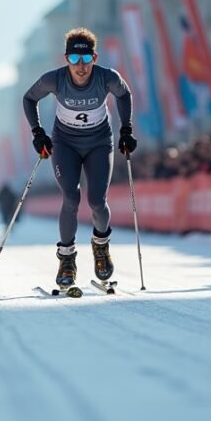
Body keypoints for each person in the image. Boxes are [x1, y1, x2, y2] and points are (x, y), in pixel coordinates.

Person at [22, 27, 134, 292]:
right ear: (66, 59)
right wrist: (37, 132)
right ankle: (67, 260)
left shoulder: (107, 77)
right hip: (65, 144)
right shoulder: (55, 79)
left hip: (98, 143)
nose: (80, 66)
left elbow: (124, 94)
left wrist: (126, 129)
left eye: (85, 60)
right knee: (71, 198)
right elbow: (29, 99)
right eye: (74, 60)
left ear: (94, 57)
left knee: (97, 201)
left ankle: (101, 247)